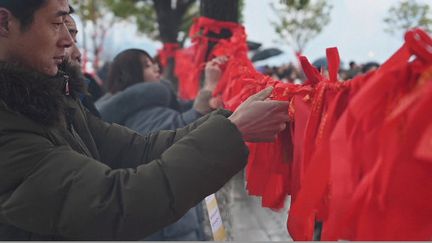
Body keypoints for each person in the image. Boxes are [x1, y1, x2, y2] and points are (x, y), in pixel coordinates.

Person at [0, 0, 290, 240]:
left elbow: (139, 149)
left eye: (71, 29)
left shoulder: (55, 104)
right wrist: (232, 132)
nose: (68, 43)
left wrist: (230, 123)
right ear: (4, 23)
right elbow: (114, 203)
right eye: (56, 23)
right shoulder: (10, 124)